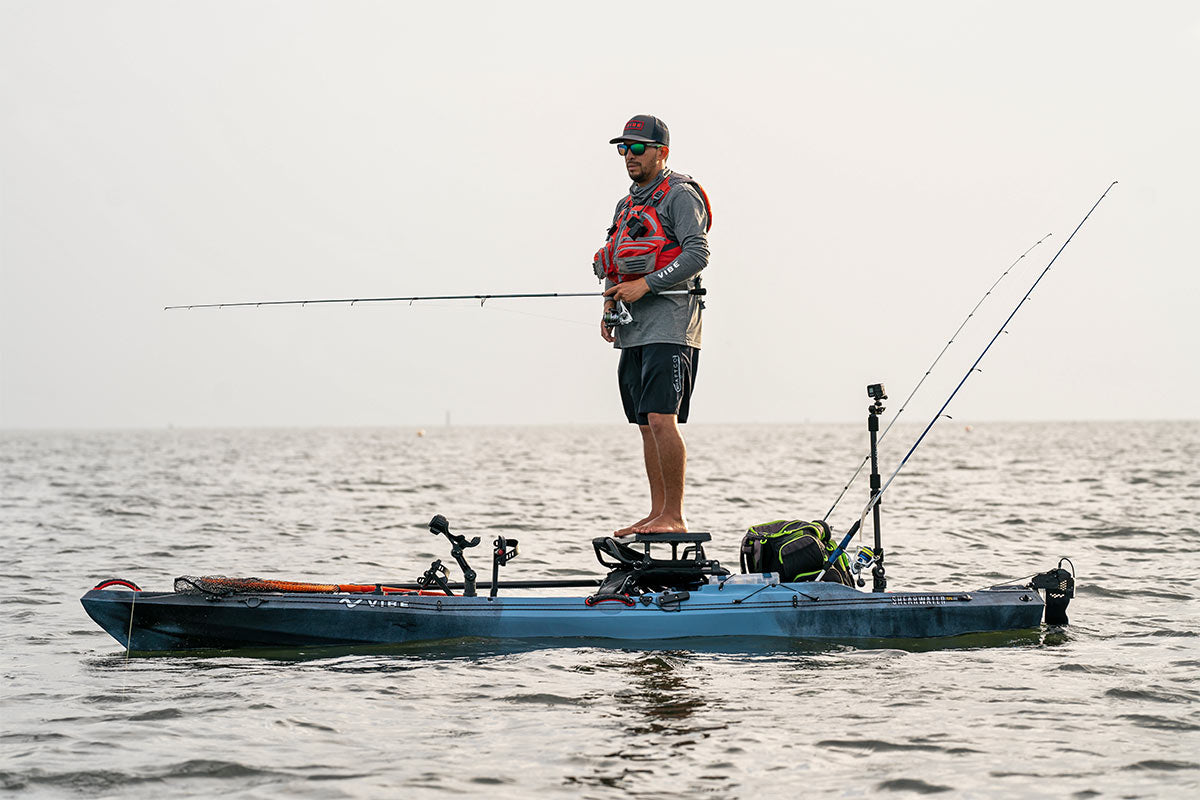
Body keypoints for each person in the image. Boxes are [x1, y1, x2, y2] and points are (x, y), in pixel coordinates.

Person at [593, 115, 712, 536]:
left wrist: (647, 284)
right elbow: (615, 258)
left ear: (662, 151)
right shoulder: (626, 205)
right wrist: (609, 308)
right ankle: (657, 511)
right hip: (634, 329)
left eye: (638, 148)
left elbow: (697, 254)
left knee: (663, 418)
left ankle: (674, 516)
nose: (630, 156)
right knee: (645, 423)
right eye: (624, 148)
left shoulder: (680, 195)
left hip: (672, 324)